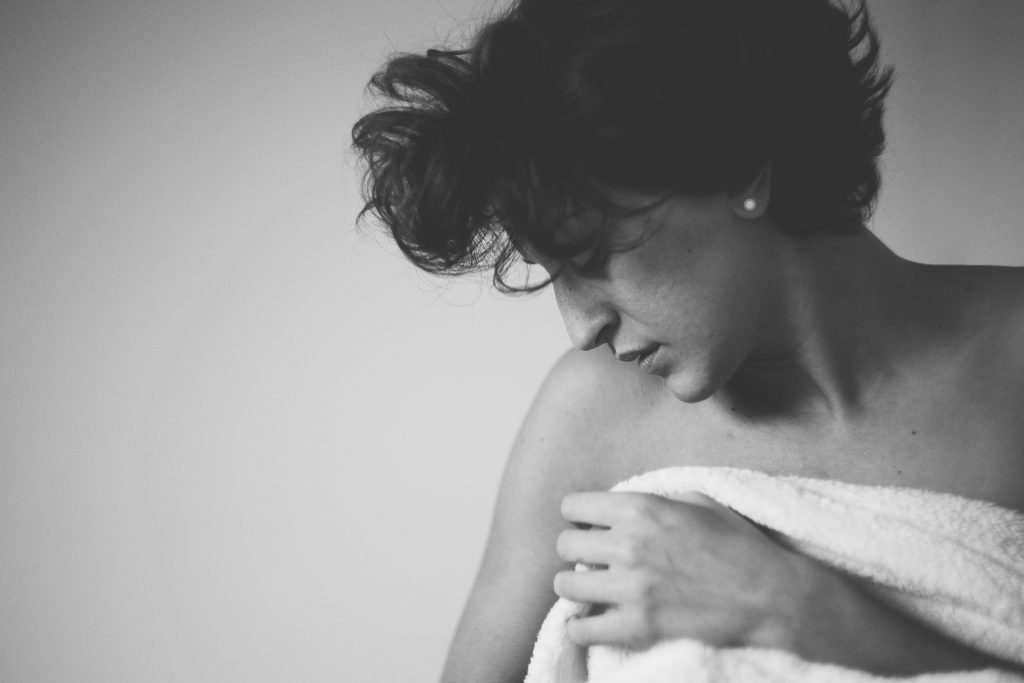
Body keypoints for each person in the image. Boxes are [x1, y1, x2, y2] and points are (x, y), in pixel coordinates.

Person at [351, 0, 1024, 680]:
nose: (581, 328)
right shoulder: (589, 417)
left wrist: (791, 607)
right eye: (553, 273)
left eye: (589, 256)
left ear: (741, 170)